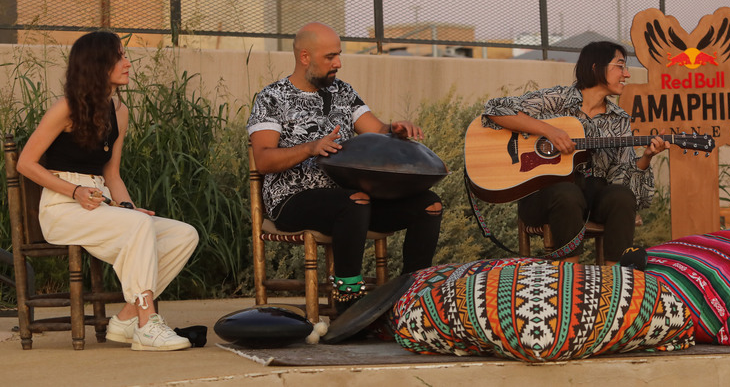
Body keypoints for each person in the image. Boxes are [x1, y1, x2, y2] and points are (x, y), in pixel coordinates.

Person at [16, 31, 200, 351]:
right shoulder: (66, 109)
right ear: (98, 65)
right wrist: (74, 191)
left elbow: (111, 174)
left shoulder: (120, 111)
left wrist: (128, 209)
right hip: (62, 208)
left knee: (184, 234)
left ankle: (126, 319)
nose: (128, 63)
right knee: (141, 227)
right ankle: (146, 324)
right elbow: (26, 164)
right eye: (120, 57)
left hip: (101, 204)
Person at [247, 22, 443, 310]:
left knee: (429, 205)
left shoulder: (343, 92)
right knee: (354, 201)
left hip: (352, 204)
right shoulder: (271, 98)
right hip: (292, 201)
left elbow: (376, 129)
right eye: (330, 57)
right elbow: (263, 160)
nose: (338, 63)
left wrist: (395, 129)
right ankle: (349, 303)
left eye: (338, 55)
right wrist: (311, 148)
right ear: (304, 57)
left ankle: (410, 296)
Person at [481, 41, 667, 264]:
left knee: (622, 197)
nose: (626, 74)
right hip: (545, 196)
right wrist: (549, 131)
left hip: (592, 197)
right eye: (620, 66)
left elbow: (623, 181)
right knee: (567, 194)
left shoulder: (618, 120)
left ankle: (616, 278)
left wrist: (646, 157)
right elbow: (494, 110)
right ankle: (571, 278)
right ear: (595, 67)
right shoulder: (558, 99)